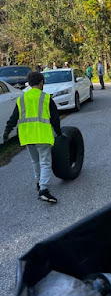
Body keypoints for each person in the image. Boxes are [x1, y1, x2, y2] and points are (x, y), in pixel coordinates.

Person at [3, 71, 62, 203]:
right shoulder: (46, 98)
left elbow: (14, 117)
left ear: (29, 84)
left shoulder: (22, 98)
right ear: (42, 82)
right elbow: (55, 119)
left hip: (27, 137)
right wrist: (59, 134)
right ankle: (44, 190)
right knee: (45, 162)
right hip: (42, 136)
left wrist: (7, 131)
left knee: (35, 162)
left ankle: (39, 182)